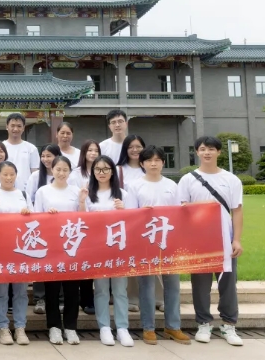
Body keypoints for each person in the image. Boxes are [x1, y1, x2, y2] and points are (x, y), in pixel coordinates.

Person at [176, 136, 244, 347]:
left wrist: (237, 239)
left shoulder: (231, 179)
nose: (207, 152)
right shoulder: (188, 179)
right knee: (200, 284)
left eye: (211, 149)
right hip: (200, 241)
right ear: (196, 152)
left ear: (219, 153)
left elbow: (237, 210)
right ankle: (203, 322)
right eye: (203, 149)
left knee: (228, 284)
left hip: (225, 239)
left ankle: (229, 324)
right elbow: (182, 210)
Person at [125, 146, 191, 346]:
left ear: (163, 162)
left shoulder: (172, 184)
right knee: (147, 285)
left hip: (169, 241)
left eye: (157, 160)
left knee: (172, 285)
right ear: (142, 164)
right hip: (145, 241)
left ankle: (173, 326)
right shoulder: (135, 186)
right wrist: (140, 213)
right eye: (149, 160)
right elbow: (129, 215)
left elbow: (180, 213)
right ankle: (148, 328)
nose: (153, 163)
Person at [79, 155, 134, 347]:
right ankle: (104, 326)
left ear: (112, 171)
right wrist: (82, 202)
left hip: (118, 248)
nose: (101, 173)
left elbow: (134, 221)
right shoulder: (88, 193)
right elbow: (81, 222)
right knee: (101, 289)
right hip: (97, 249)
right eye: (97, 169)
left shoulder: (123, 194)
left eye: (105, 169)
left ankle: (122, 328)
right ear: (93, 172)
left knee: (120, 289)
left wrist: (124, 210)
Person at [33, 156, 82, 346]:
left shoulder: (77, 191)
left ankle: (70, 327)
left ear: (70, 172)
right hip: (51, 246)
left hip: (72, 247)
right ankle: (53, 327)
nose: (61, 173)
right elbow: (36, 217)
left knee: (72, 290)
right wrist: (47, 216)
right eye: (58, 169)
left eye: (65, 170)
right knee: (51, 289)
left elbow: (84, 219)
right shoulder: (43, 191)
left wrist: (83, 202)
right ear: (51, 170)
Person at [0, 161, 32, 346]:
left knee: (21, 291)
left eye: (12, 174)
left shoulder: (23, 194)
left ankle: (20, 327)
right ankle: (2, 327)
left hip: (21, 250)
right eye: (5, 174)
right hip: (0, 250)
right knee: (1, 291)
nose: (8, 177)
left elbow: (35, 221)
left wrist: (28, 213)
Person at [28, 144, 61, 314]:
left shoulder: (65, 175)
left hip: (62, 229)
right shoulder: (35, 176)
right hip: (41, 227)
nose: (46, 159)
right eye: (44, 156)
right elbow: (29, 200)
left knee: (61, 262)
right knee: (41, 262)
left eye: (50, 156)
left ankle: (60, 298)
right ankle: (40, 298)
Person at [68, 139, 100, 315]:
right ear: (84, 153)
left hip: (95, 222)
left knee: (91, 262)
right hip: (77, 220)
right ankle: (79, 298)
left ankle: (89, 299)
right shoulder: (75, 174)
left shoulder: (101, 170)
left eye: (96, 150)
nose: (93, 153)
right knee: (78, 260)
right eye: (90, 150)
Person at [116, 134, 146, 313]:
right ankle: (132, 297)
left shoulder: (149, 166)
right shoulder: (119, 170)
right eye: (131, 147)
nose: (135, 150)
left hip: (148, 221)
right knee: (131, 260)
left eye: (138, 147)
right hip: (127, 221)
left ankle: (158, 297)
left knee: (152, 257)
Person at [3, 113, 38, 190]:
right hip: (5, 189)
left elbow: (35, 172)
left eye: (19, 126)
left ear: (23, 128)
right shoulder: (1, 148)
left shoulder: (31, 148)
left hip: (26, 191)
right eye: (12, 126)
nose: (15, 129)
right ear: (7, 126)